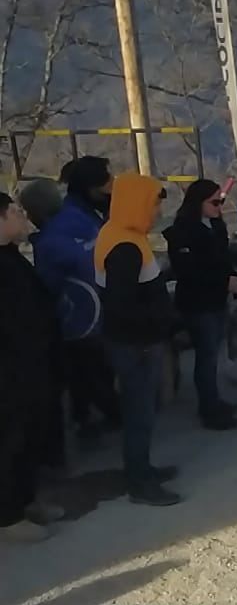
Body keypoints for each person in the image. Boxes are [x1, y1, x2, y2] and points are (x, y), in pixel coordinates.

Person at [94, 173, 182, 507]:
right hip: (136, 344)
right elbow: (122, 304)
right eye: (155, 203)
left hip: (133, 340)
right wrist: (155, 328)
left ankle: (142, 468)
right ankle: (140, 482)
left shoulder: (119, 233)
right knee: (139, 413)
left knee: (140, 411)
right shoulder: (125, 248)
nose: (159, 210)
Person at [33, 156, 122, 445]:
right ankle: (99, 420)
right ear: (90, 187)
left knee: (96, 373)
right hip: (82, 318)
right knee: (89, 373)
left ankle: (100, 418)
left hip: (96, 312)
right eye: (107, 183)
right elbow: (78, 266)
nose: (112, 188)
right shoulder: (66, 227)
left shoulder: (89, 215)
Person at [0, 192, 64, 541]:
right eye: (16, 211)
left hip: (34, 365)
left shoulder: (12, 256)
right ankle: (7, 518)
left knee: (29, 439)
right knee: (9, 442)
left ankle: (25, 501)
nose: (24, 216)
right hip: (10, 372)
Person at [162, 180, 237, 431]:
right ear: (198, 203)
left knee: (213, 353)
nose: (220, 206)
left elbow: (223, 258)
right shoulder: (182, 232)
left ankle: (214, 400)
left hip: (217, 299)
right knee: (206, 357)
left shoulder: (217, 226)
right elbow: (188, 272)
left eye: (221, 201)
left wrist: (235, 282)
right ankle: (209, 409)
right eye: (214, 202)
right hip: (198, 303)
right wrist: (224, 282)